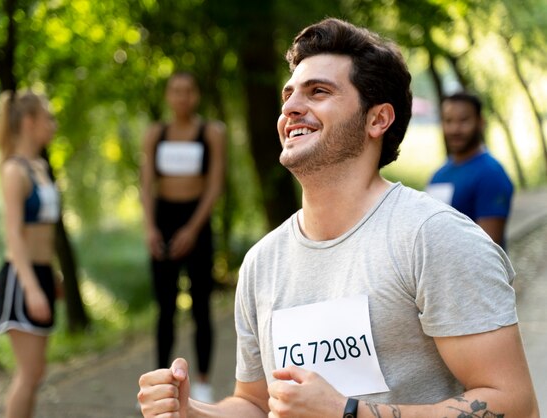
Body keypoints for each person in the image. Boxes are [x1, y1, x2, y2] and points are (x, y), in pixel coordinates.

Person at [137, 18, 539, 418]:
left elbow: (516, 406)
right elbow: (256, 403)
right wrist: (192, 412)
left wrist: (348, 412)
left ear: (377, 119)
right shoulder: (262, 263)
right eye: (288, 94)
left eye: (318, 92)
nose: (291, 107)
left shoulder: (433, 238)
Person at [139, 71, 226, 403]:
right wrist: (149, 227)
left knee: (201, 306)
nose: (182, 97)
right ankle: (159, 386)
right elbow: (146, 185)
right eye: (175, 91)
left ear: (197, 95)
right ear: (167, 96)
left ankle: (202, 383)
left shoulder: (211, 132)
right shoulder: (155, 133)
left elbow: (215, 184)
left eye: (188, 91)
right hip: (162, 221)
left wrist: (192, 229)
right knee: (164, 309)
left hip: (198, 222)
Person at [0, 90, 61, 418]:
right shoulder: (13, 171)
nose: (54, 125)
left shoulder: (40, 167)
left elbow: (45, 232)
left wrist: (54, 275)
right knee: (29, 373)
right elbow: (13, 235)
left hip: (43, 273)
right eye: (49, 118)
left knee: (36, 374)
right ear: (30, 123)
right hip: (21, 280)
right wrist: (32, 287)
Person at [426, 92, 514, 248]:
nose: (455, 129)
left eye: (464, 120)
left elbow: (489, 245)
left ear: (480, 122)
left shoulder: (491, 173)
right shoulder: (438, 176)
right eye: (448, 121)